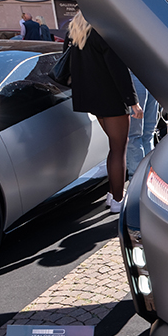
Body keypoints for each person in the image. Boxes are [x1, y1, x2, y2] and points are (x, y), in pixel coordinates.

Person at [64, 12, 141, 213]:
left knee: (114, 148)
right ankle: (117, 199)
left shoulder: (74, 30)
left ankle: (112, 194)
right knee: (118, 149)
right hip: (112, 98)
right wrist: (133, 102)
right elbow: (118, 69)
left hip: (92, 99)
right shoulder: (103, 29)